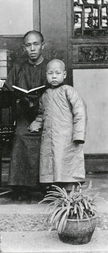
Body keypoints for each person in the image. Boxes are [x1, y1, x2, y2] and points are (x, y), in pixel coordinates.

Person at [3, 30, 49, 200]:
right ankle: (21, 186)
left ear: (42, 46)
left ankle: (46, 184)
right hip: (24, 115)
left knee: (46, 136)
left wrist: (40, 118)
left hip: (46, 115)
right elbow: (7, 92)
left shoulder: (50, 67)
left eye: (36, 44)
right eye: (28, 45)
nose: (32, 49)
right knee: (20, 135)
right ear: (24, 48)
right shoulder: (18, 68)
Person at [29, 59, 87, 192]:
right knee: (51, 162)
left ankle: (69, 191)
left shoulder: (68, 91)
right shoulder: (45, 95)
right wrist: (36, 124)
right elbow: (41, 114)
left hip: (66, 136)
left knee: (66, 161)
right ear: (46, 75)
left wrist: (78, 134)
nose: (54, 76)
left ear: (64, 75)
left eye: (57, 73)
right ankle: (55, 190)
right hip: (49, 135)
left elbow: (80, 112)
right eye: (50, 73)